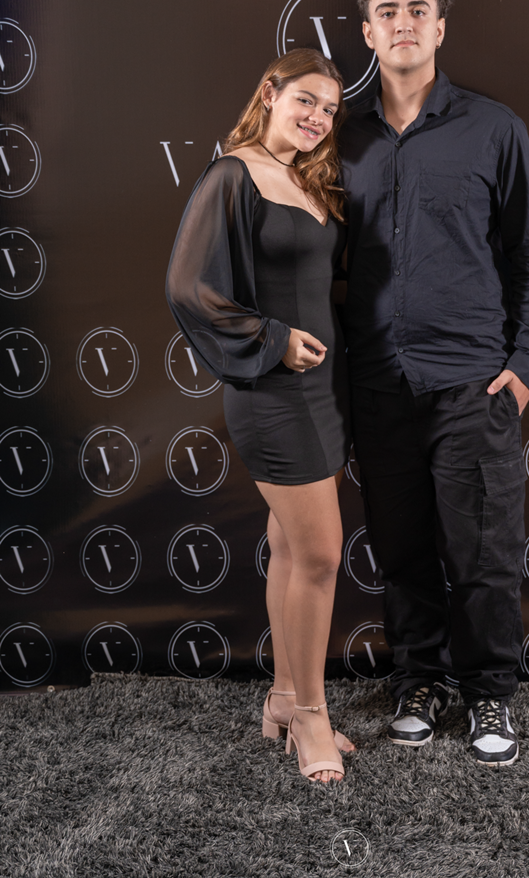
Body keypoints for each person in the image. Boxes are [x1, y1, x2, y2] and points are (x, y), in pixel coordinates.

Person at [340, 0, 529, 765]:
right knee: (401, 550)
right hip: (377, 382)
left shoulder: (493, 128)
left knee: (483, 554)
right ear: (368, 32)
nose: (402, 21)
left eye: (417, 8)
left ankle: (489, 693)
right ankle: (419, 683)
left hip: (473, 381)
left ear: (439, 27)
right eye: (387, 10)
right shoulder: (341, 136)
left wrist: (527, 364)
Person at [166, 49, 355, 783]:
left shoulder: (306, 179)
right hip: (272, 395)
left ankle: (281, 697)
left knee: (291, 549)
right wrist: (273, 340)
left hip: (323, 393)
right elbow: (188, 286)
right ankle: (310, 715)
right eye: (306, 100)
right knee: (321, 556)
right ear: (270, 93)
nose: (317, 118)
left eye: (329, 109)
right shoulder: (232, 174)